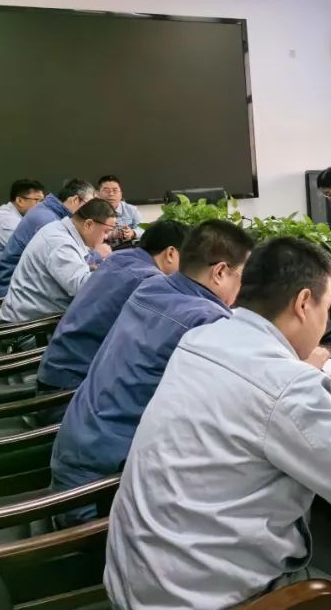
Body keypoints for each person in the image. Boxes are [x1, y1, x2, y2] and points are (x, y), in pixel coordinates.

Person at [105, 237, 331, 610]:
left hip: (143, 594)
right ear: (303, 303)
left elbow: (258, 413)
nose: (325, 320)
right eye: (327, 308)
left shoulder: (204, 339)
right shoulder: (284, 383)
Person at [50, 219, 254, 523]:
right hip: (101, 494)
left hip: (73, 457)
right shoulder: (206, 320)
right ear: (220, 271)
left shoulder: (152, 287)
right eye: (242, 277)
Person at [36, 220, 189, 394]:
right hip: (75, 387)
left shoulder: (118, 258)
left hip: (55, 368)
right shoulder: (150, 281)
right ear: (170, 253)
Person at [0, 199, 117, 324]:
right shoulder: (61, 243)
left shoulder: (60, 229)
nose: (106, 237)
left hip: (38, 315)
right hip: (28, 327)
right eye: (106, 231)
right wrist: (115, 274)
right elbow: (82, 287)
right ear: (88, 224)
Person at [0, 178, 101, 297]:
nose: (91, 213)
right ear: (75, 200)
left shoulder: (49, 211)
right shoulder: (48, 220)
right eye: (89, 205)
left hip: (29, 285)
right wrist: (97, 256)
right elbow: (70, 261)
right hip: (14, 291)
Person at [97, 175, 144, 244]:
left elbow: (143, 228)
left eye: (115, 190)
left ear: (121, 194)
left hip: (126, 247)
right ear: (98, 194)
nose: (111, 194)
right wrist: (111, 234)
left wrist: (133, 233)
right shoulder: (92, 210)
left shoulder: (131, 210)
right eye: (106, 190)